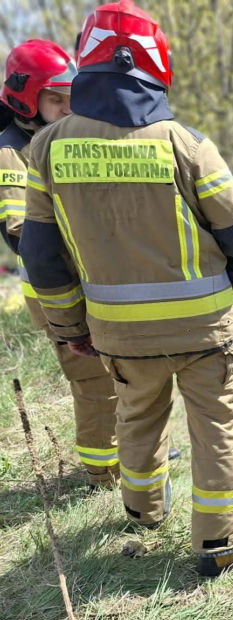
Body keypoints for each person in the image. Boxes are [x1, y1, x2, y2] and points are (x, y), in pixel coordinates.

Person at [20, 0, 233, 576]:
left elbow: (41, 256)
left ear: (86, 66)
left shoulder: (47, 148)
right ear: (155, 65)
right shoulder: (185, 143)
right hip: (202, 330)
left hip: (116, 333)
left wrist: (70, 328)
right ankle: (222, 541)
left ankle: (142, 510)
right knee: (220, 423)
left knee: (137, 413)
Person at [0, 39, 119, 489]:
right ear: (26, 98)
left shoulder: (65, 141)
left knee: (120, 368)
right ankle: (102, 472)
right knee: (93, 380)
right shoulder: (10, 150)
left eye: (71, 95)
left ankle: (137, 448)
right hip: (55, 291)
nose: (67, 107)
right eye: (55, 98)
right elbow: (20, 232)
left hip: (91, 282)